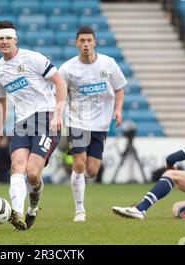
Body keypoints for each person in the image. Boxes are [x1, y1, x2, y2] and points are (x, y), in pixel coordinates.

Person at [0, 20, 67, 231]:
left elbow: (60, 83)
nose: (4, 42)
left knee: (32, 174)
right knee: (16, 167)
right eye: (0, 38)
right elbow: (1, 102)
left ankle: (33, 207)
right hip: (22, 123)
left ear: (15, 39)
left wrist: (58, 114)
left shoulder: (33, 58)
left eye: (8, 38)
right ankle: (17, 213)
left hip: (46, 118)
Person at [58, 26, 126, 222]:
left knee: (92, 170)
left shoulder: (108, 63)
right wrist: (58, 115)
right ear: (76, 43)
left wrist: (118, 110)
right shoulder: (68, 68)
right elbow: (60, 94)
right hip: (77, 121)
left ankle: (78, 181)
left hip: (101, 124)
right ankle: (79, 210)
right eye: (82, 41)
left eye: (89, 40)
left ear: (95, 42)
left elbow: (119, 88)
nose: (86, 44)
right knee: (78, 164)